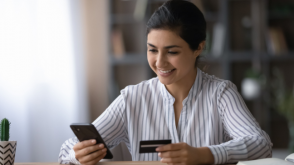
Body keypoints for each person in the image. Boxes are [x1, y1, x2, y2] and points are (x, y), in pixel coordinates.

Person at [58, 0, 272, 164]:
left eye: (172, 52)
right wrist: (79, 155)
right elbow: (67, 149)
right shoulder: (132, 99)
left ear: (198, 47)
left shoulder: (221, 93)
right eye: (152, 50)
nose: (159, 62)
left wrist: (204, 155)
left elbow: (261, 144)